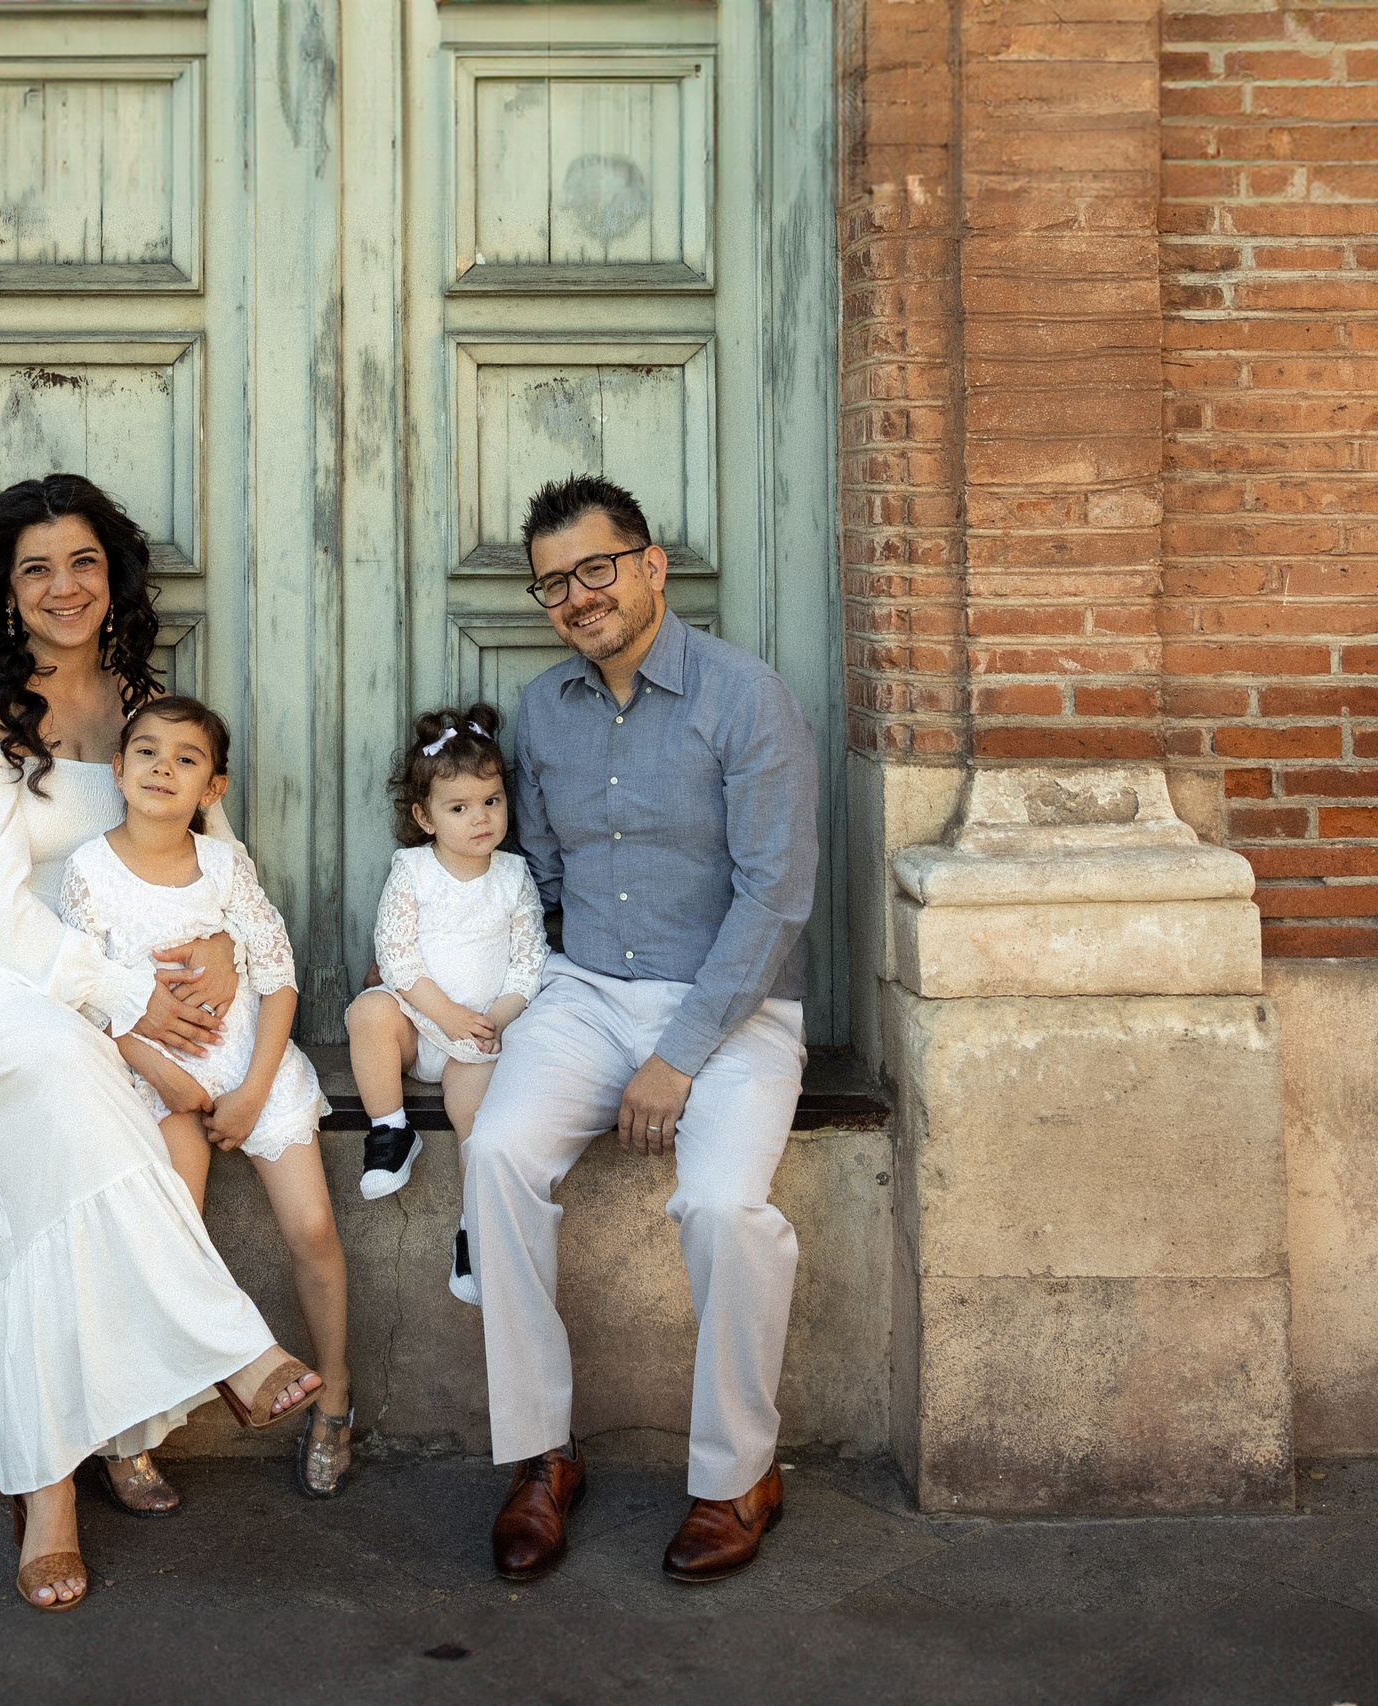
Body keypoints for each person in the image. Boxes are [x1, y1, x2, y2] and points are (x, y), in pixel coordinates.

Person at [0, 473, 323, 1613]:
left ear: (110, 578)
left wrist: (217, 955)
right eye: (35, 568)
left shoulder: (138, 701)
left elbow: (213, 860)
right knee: (78, 1074)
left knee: (55, 1163)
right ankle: (225, 1348)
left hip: (71, 996)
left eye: (82, 563)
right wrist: (122, 998)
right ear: (5, 592)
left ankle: (57, 1484)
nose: (62, 587)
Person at [466, 473, 820, 1587]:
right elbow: (548, 873)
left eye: (595, 567)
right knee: (497, 1153)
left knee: (724, 1206)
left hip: (731, 1003)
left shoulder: (744, 695)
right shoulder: (540, 710)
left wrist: (676, 1055)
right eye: (553, 582)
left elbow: (775, 896)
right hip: (582, 994)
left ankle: (735, 1473)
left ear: (650, 563)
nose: (577, 595)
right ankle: (538, 1455)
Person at [58, 694, 358, 1499]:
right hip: (156, 1078)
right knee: (168, 1237)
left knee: (313, 1227)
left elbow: (279, 974)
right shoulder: (89, 870)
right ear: (116, 770)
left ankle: (334, 1396)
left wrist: (256, 1089)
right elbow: (83, 995)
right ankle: (132, 1436)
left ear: (212, 789)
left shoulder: (224, 868)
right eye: (146, 752)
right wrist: (162, 1075)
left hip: (252, 1066)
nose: (163, 768)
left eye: (185, 759)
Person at [344, 705, 546, 1309]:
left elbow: (528, 961)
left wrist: (498, 1018)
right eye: (458, 808)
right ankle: (390, 1131)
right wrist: (445, 1014)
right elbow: (396, 955)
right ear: (424, 817)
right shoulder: (413, 870)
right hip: (418, 1021)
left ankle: (473, 1228)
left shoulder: (512, 875)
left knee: (476, 1122)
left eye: (491, 802)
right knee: (367, 1013)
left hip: (478, 1038)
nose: (479, 819)